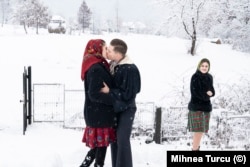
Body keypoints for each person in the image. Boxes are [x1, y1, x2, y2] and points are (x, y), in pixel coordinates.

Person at [100, 38, 141, 167]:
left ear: (118, 54)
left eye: (110, 50)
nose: (107, 52)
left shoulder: (130, 69)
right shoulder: (114, 64)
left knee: (122, 140)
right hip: (117, 108)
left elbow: (130, 94)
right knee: (115, 140)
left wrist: (110, 91)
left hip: (127, 109)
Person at [79, 39, 117, 167]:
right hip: (99, 116)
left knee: (97, 150)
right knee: (100, 154)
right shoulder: (96, 68)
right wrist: (113, 98)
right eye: (105, 48)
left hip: (98, 115)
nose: (107, 50)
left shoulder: (98, 64)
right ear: (97, 49)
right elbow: (94, 94)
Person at [187, 58, 215, 151]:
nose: (204, 67)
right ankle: (195, 150)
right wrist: (206, 95)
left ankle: (196, 148)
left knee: (201, 131)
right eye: (202, 66)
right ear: (199, 66)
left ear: (209, 67)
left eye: (206, 66)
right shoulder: (195, 76)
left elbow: (211, 90)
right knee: (198, 131)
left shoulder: (210, 77)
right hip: (196, 107)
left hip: (206, 107)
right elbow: (194, 92)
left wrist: (212, 93)